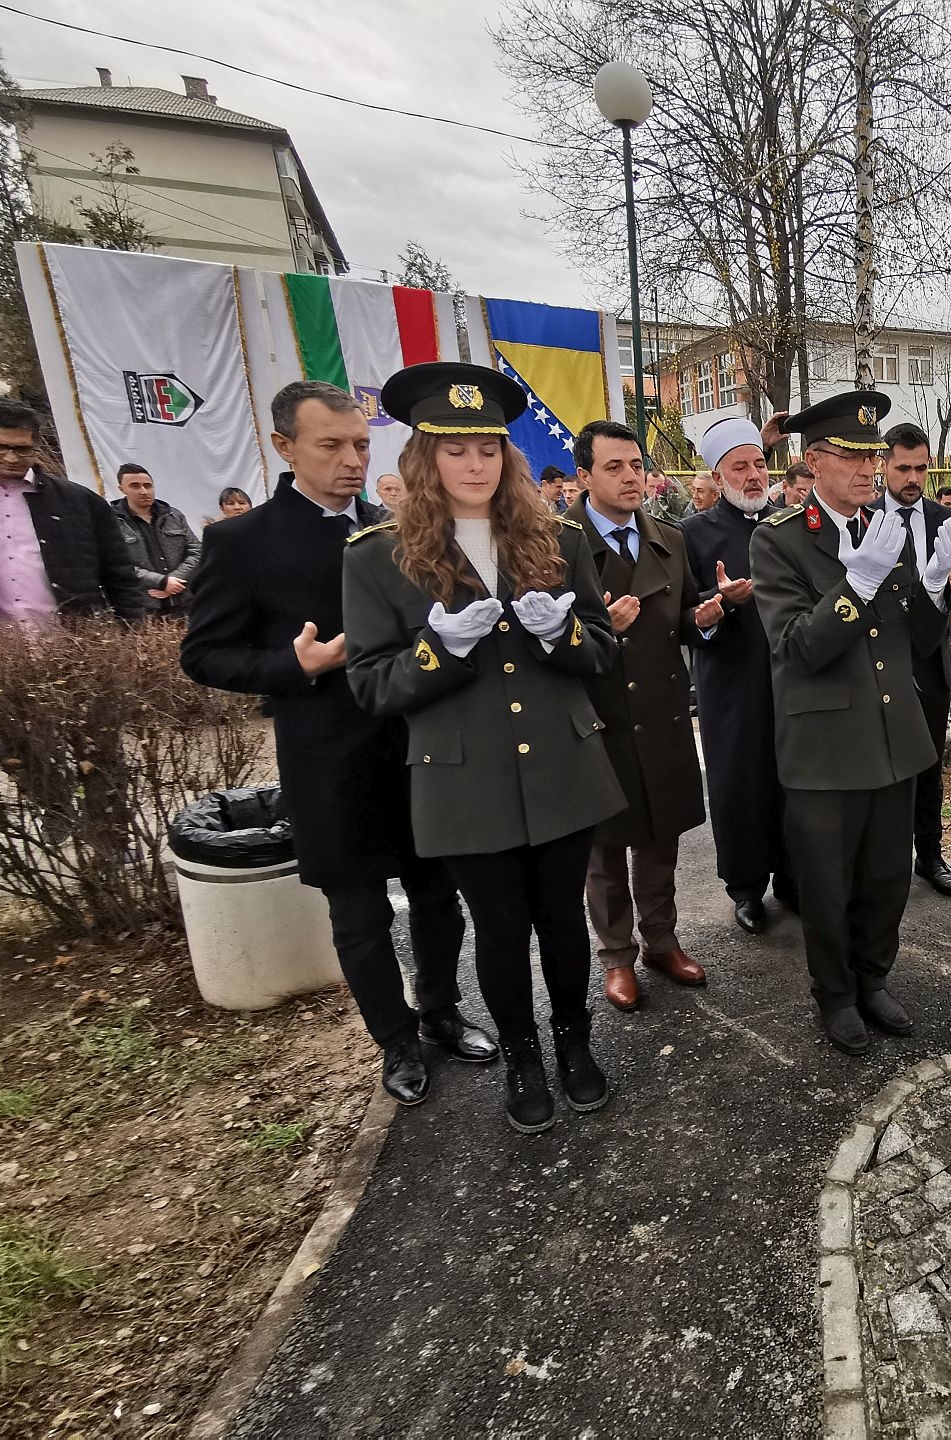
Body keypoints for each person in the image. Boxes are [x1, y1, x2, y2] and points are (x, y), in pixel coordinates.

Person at [182, 381, 492, 1108]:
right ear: (286, 447)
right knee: (359, 913)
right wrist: (296, 666)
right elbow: (205, 655)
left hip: (416, 744)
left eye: (360, 444)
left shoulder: (401, 528)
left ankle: (443, 1011)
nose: (352, 460)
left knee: (439, 893)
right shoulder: (241, 541)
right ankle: (396, 1041)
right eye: (331, 446)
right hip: (328, 755)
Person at [343, 362, 624, 1134]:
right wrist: (436, 650)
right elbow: (370, 684)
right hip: (463, 781)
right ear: (424, 459)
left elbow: (600, 650)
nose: (475, 465)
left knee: (564, 922)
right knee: (500, 933)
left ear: (508, 457)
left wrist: (560, 632)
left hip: (563, 766)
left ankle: (574, 1043)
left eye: (489, 449)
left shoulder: (557, 537)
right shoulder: (375, 555)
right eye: (456, 449)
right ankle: (523, 1053)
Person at [751, 391, 951, 1054]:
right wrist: (854, 588)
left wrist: (931, 589)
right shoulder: (777, 540)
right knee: (827, 882)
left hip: (891, 740)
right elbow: (796, 647)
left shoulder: (885, 531)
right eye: (851, 454)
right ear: (812, 462)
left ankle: (873, 980)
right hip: (823, 747)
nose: (868, 466)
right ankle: (835, 994)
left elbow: (917, 643)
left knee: (885, 878)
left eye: (873, 453)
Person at [566, 420, 727, 1010]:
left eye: (636, 465)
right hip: (598, 715)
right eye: (614, 467)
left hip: (659, 710)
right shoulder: (559, 542)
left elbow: (680, 614)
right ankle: (616, 957)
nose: (631, 477)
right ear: (584, 476)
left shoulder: (668, 537)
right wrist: (603, 630)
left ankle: (662, 939)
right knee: (605, 846)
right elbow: (547, 637)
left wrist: (704, 618)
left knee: (660, 836)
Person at [681, 417, 799, 932]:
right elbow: (681, 615)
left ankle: (796, 879)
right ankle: (747, 887)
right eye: (740, 467)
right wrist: (716, 604)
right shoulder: (692, 534)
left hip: (791, 679)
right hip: (731, 682)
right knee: (741, 784)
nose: (753, 475)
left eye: (759, 463)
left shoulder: (790, 523)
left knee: (794, 783)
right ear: (717, 474)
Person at [877, 422, 951, 898]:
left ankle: (929, 855)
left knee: (930, 765)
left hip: (930, 663)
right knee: (885, 768)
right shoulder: (865, 517)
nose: (913, 477)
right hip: (880, 664)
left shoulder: (943, 519)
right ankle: (885, 860)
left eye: (922, 468)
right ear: (884, 465)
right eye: (903, 467)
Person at [0, 394, 142, 623]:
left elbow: (122, 579)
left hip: (75, 647)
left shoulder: (82, 502)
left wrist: (133, 635)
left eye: (22, 449)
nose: (11, 457)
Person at [110, 464, 202, 617]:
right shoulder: (112, 522)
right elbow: (118, 563)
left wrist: (175, 579)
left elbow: (196, 550)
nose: (144, 491)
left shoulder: (173, 515)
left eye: (148, 486)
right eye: (135, 486)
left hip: (184, 600)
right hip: (143, 605)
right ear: (121, 489)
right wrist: (160, 582)